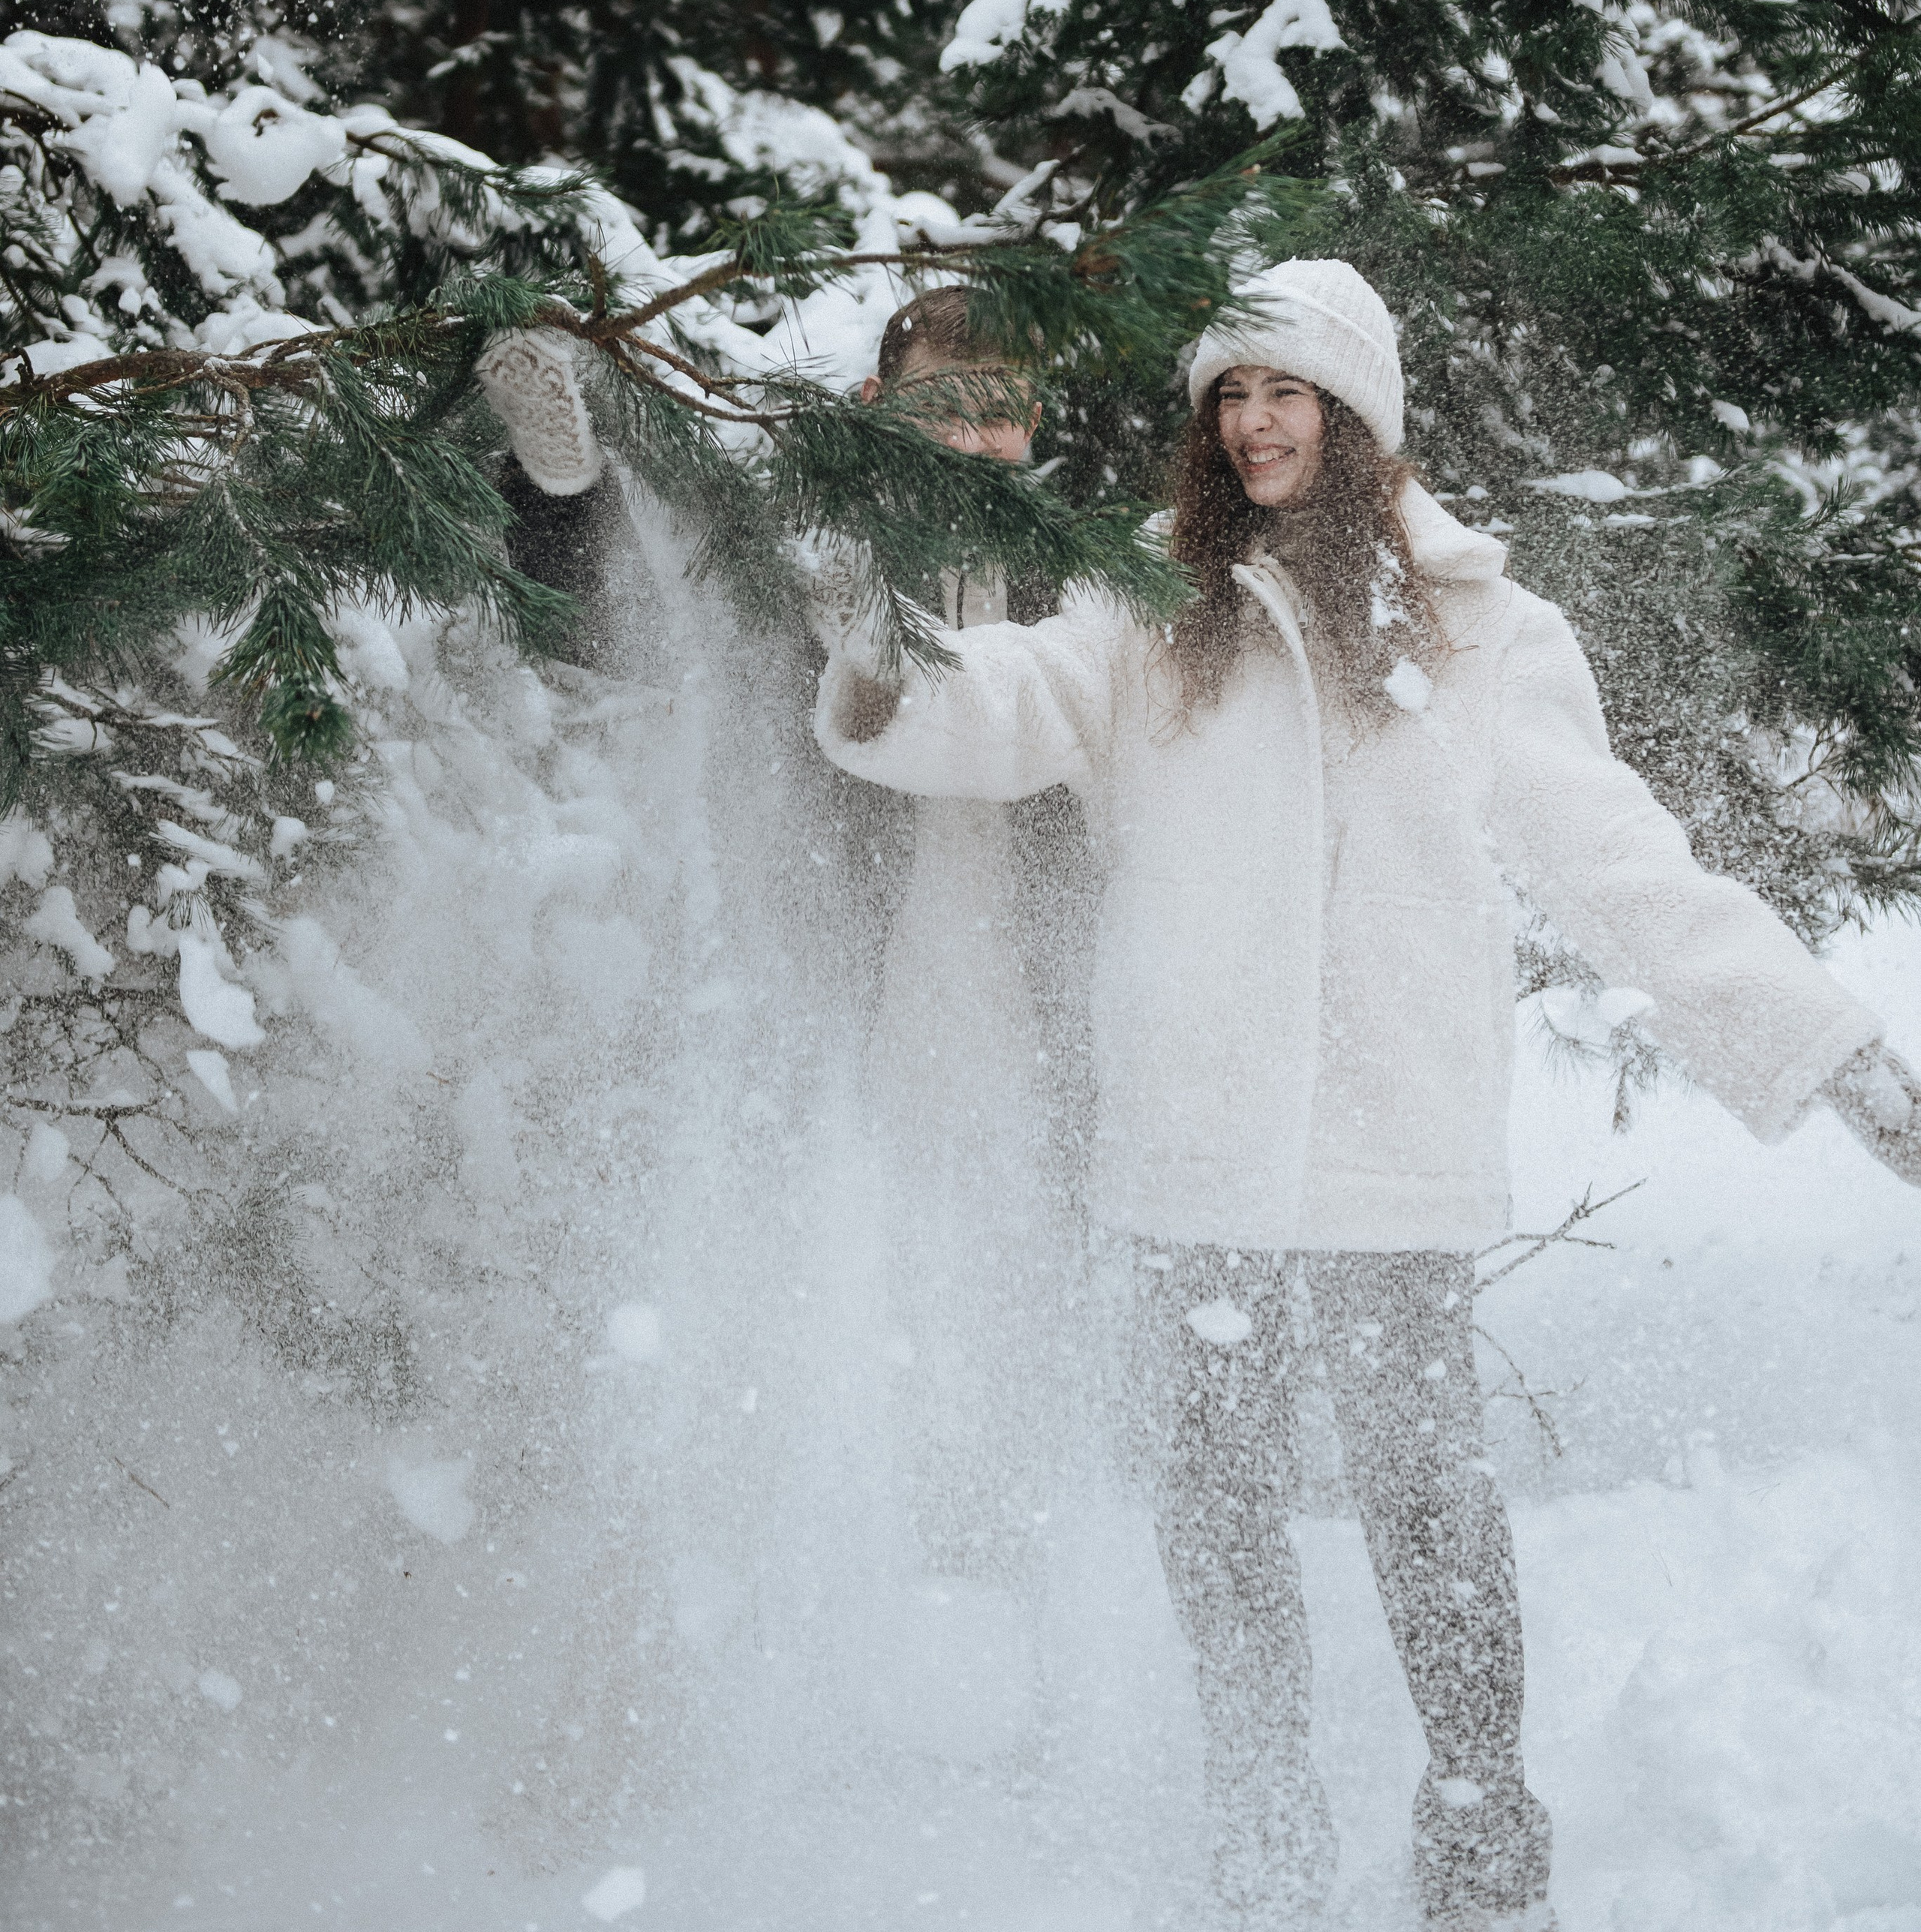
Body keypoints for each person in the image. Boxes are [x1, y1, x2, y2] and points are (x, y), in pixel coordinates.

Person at [808, 257, 1921, 1932]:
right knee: (1217, 1511)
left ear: (1356, 408)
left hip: (1386, 1144)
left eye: (1284, 392)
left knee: (1425, 1499)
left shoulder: (1477, 630)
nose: (1251, 425)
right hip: (1189, 1146)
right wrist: (874, 636)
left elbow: (1624, 865)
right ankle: (1262, 1824)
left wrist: (1828, 1049)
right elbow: (999, 708)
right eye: (1225, 398)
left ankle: (1480, 1829)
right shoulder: (1145, 602)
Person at [473, 297, 1093, 1575]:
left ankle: (1012, 1590)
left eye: (1006, 411)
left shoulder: (1082, 573)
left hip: (1024, 1009)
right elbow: (604, 591)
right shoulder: (805, 542)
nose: (979, 438)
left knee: (1020, 1313)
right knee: (825, 1298)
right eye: (949, 404)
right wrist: (561, 469)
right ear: (876, 409)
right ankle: (815, 1589)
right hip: (832, 983)